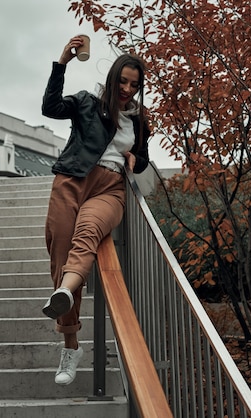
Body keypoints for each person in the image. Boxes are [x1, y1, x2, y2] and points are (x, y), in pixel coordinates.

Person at [41, 35, 151, 386]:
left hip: (110, 188)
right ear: (113, 77)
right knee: (60, 247)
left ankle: (65, 290)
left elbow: (144, 159)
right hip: (72, 179)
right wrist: (63, 62)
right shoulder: (87, 102)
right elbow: (50, 108)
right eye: (123, 81)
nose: (127, 89)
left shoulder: (139, 119)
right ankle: (71, 344)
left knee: (86, 235)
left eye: (134, 84)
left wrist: (137, 160)